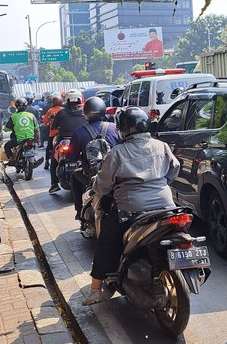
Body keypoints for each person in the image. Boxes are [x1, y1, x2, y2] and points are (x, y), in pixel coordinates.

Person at [82, 106, 180, 306]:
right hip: (166, 206)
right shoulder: (161, 146)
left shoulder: (118, 152)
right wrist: (160, 184)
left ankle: (95, 290)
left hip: (132, 211)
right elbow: (174, 169)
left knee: (106, 242)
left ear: (123, 129)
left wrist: (98, 185)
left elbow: (102, 185)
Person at [69, 96, 120, 224]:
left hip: (92, 175)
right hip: (117, 173)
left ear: (85, 113)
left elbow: (71, 157)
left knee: (75, 176)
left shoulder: (79, 131)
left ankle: (79, 211)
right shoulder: (114, 128)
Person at [49, 90, 87, 194]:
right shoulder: (85, 111)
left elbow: (54, 127)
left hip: (64, 140)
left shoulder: (61, 112)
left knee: (54, 159)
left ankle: (54, 184)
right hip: (81, 140)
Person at [3, 98, 42, 164]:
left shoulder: (13, 116)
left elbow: (6, 129)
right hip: (30, 138)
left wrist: (6, 129)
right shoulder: (31, 115)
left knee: (6, 146)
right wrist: (38, 139)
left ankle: (11, 159)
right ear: (26, 106)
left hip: (18, 140)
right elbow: (36, 128)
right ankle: (34, 160)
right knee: (33, 145)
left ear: (16, 106)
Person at [42, 94, 64, 170]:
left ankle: (47, 162)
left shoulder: (50, 111)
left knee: (49, 148)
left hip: (53, 133)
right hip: (63, 133)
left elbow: (45, 121)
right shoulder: (64, 110)